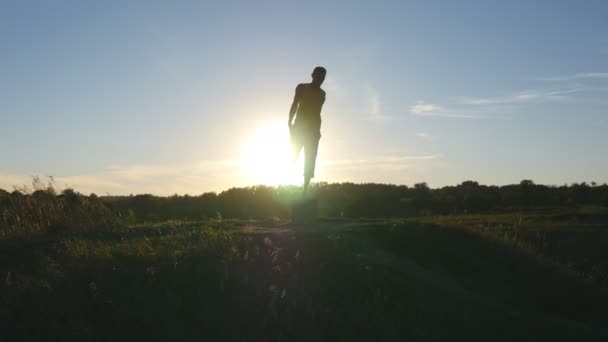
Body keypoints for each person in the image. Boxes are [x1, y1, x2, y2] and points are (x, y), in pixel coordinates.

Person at [288, 66, 327, 193]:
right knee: (294, 153)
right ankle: (285, 182)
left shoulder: (322, 94)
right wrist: (290, 122)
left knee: (310, 158)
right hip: (299, 127)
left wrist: (318, 131)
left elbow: (318, 113)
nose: (320, 79)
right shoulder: (301, 88)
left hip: (313, 130)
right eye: (318, 76)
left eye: (322, 77)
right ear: (312, 75)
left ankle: (304, 190)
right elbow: (294, 104)